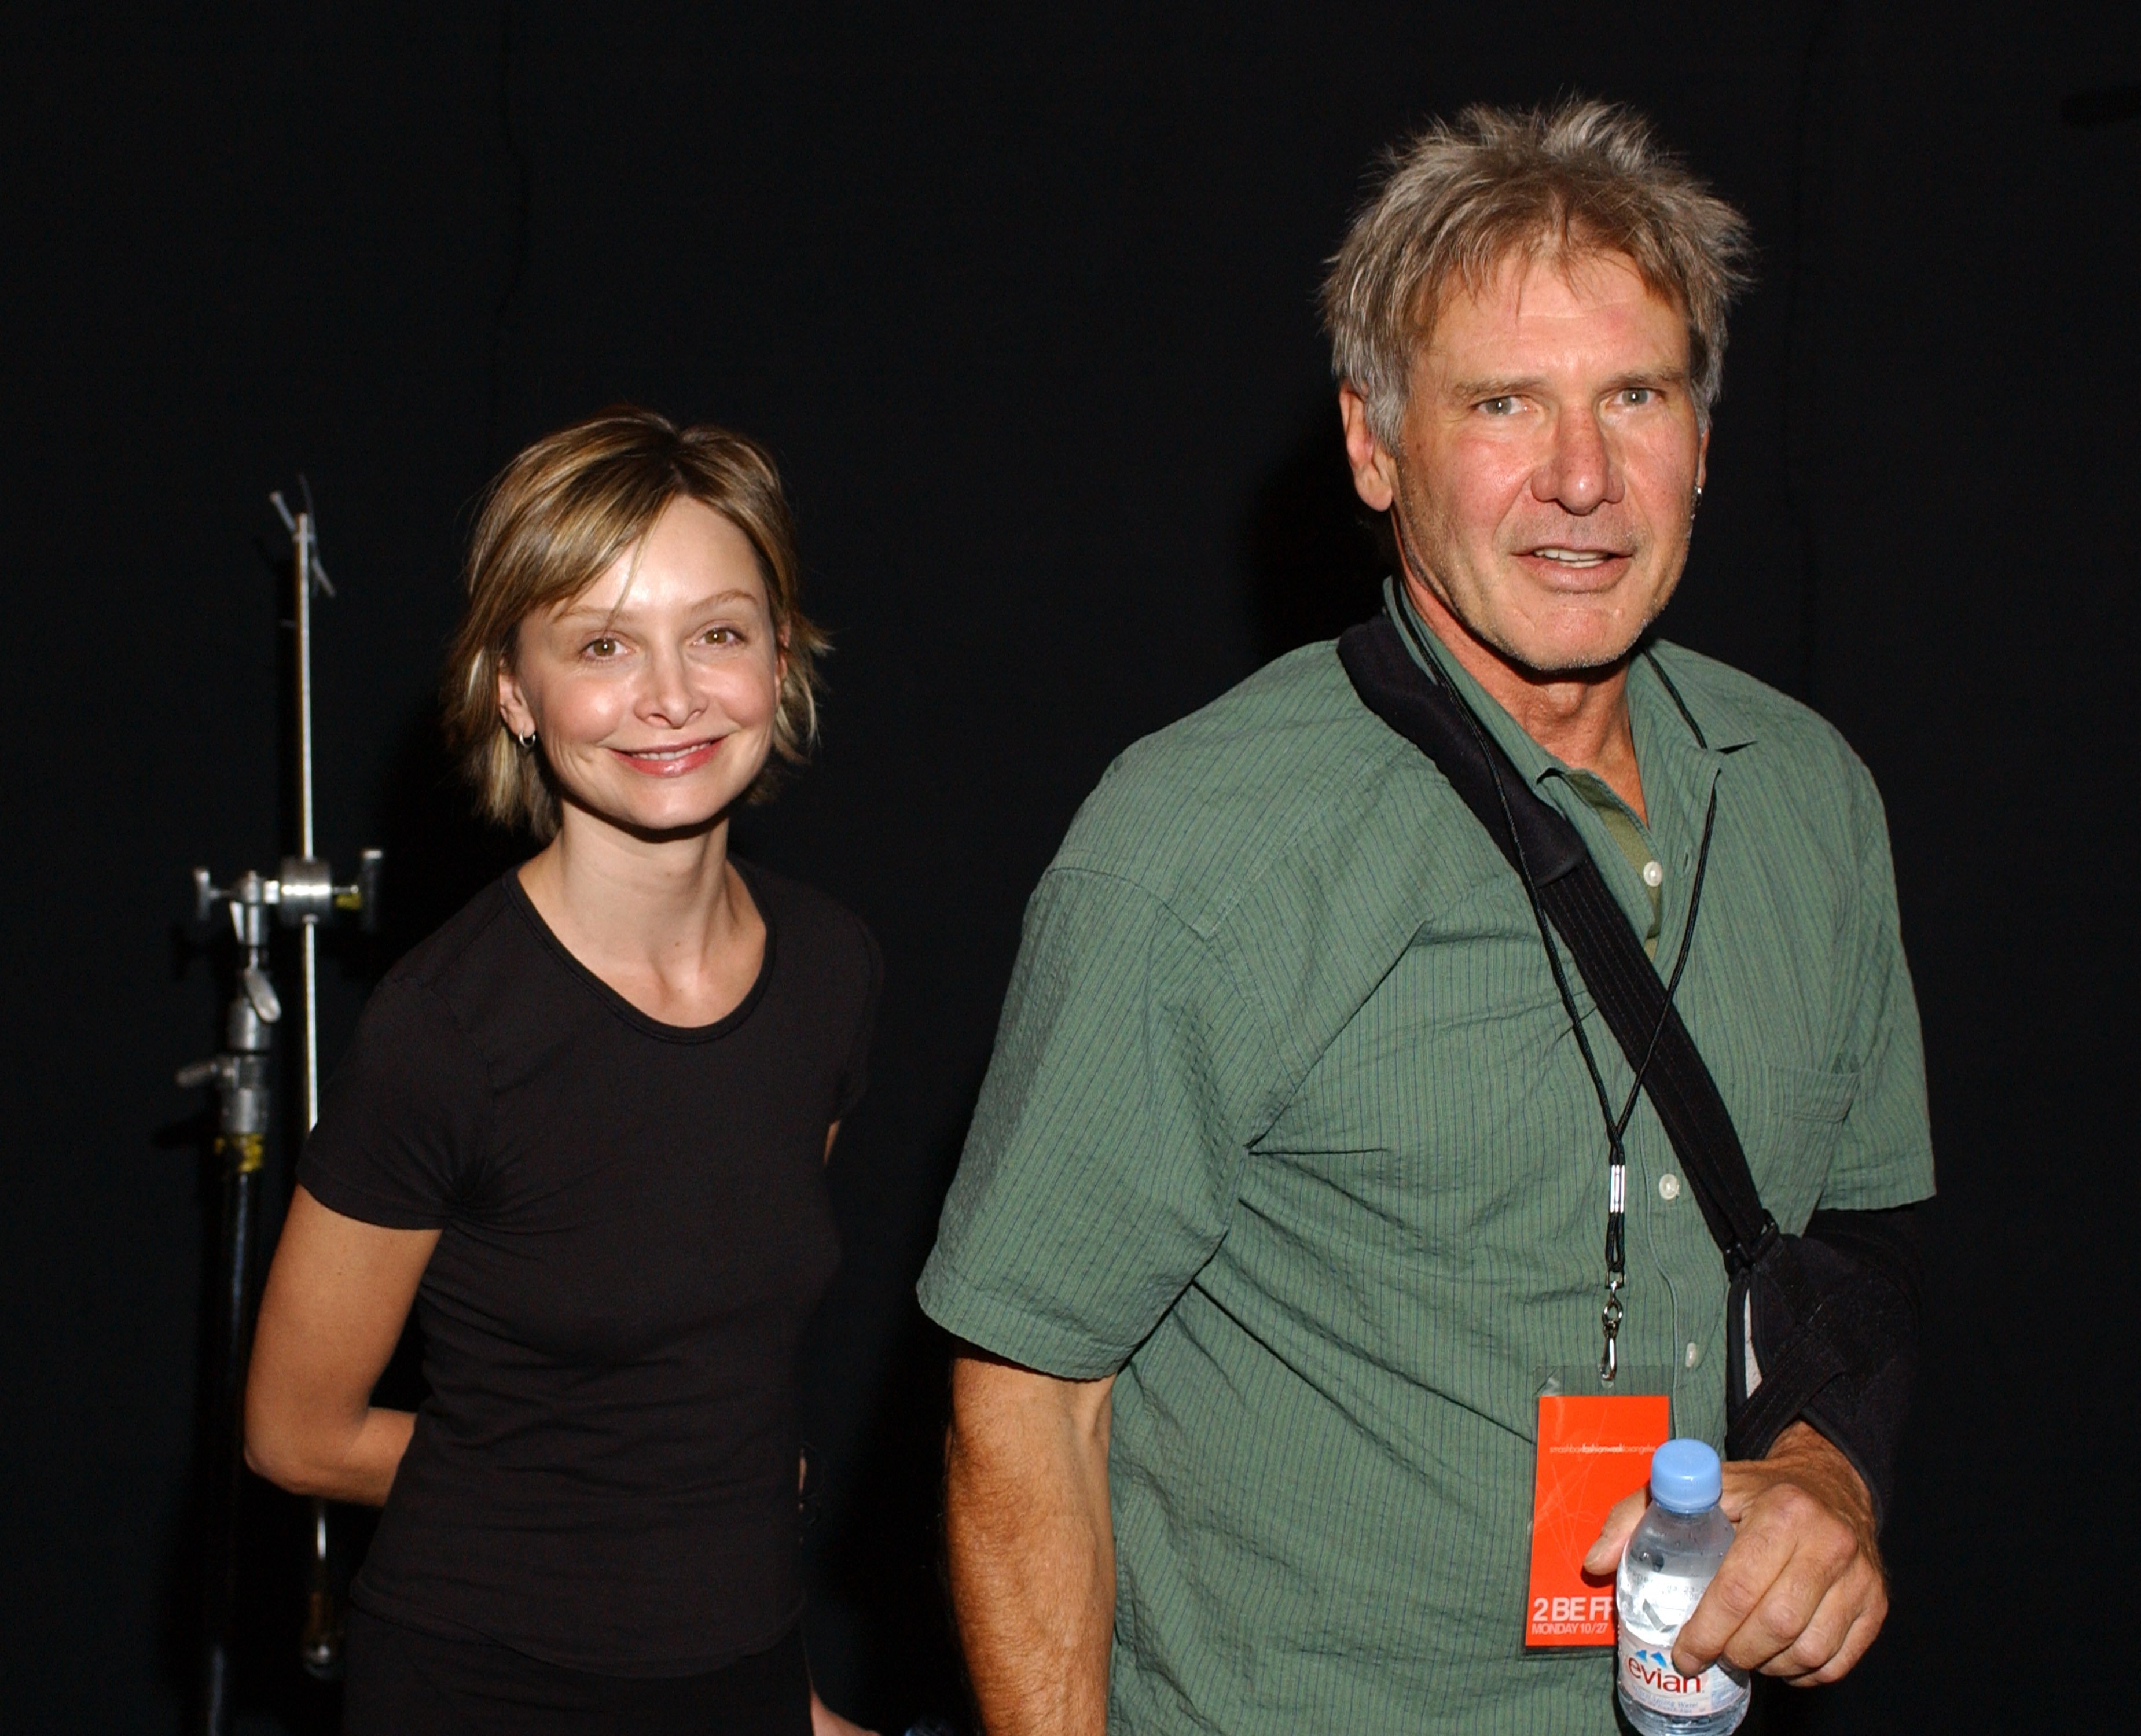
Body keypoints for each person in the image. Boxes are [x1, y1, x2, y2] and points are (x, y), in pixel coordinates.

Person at [920, 100, 1933, 1733]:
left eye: (1633, 395)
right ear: (1372, 445)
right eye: (1501, 405)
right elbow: (1027, 1404)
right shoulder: (1196, 848)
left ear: (1699, 434)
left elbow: (1857, 1242)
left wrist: (1828, 1473)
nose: (1583, 479)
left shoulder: (1809, 796)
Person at [246, 408, 882, 1735]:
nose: (670, 695)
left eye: (718, 632)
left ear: (780, 655)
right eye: (602, 645)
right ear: (513, 694)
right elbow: (295, 1436)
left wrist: (794, 1703)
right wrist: (612, 1490)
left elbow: (733, 1391)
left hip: (742, 1670)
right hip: (490, 1687)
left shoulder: (830, 971)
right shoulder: (446, 1033)